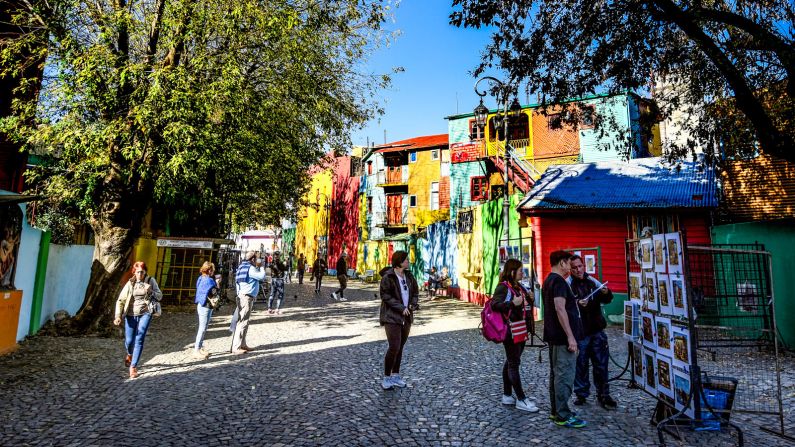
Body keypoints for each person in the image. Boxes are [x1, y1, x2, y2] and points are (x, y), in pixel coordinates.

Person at [543, 250, 587, 428]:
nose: (570, 266)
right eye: (569, 263)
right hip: (562, 338)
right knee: (564, 376)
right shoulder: (559, 281)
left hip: (554, 336)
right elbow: (560, 309)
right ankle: (563, 414)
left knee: (556, 375)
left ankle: (556, 411)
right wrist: (571, 337)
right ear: (562, 263)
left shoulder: (549, 280)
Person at [491, 259, 539, 412]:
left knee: (511, 361)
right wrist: (512, 304)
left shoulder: (519, 286)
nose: (522, 272)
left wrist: (530, 298)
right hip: (511, 331)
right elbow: (494, 305)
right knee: (514, 364)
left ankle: (507, 395)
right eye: (520, 270)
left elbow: (525, 306)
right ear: (512, 271)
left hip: (521, 329)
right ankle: (521, 399)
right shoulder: (503, 287)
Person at [569, 255, 617, 409]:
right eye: (574, 267)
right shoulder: (568, 284)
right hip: (581, 332)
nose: (578, 270)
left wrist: (605, 292)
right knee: (581, 365)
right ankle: (581, 394)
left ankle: (604, 394)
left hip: (597, 330)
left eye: (580, 266)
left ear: (584, 266)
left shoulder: (592, 281)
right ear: (570, 269)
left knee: (601, 364)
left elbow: (608, 298)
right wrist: (577, 303)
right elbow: (565, 306)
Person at [113, 261, 163, 379]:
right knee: (129, 341)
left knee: (140, 338)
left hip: (145, 313)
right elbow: (121, 300)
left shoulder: (151, 281)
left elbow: (160, 296)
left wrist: (150, 290)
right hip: (130, 314)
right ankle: (129, 354)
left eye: (142, 272)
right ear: (134, 272)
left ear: (145, 272)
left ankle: (133, 366)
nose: (140, 274)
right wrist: (118, 315)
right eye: (138, 272)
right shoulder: (130, 283)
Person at [379, 250, 419, 390]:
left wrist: (413, 304)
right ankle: (386, 378)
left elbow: (415, 292)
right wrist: (401, 307)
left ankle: (396, 375)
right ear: (399, 262)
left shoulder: (409, 276)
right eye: (406, 260)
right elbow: (385, 296)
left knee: (400, 347)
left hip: (406, 317)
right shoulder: (388, 277)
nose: (408, 261)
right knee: (394, 346)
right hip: (391, 317)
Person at [231, 250, 266, 354]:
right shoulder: (250, 268)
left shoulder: (241, 267)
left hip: (242, 295)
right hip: (246, 297)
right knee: (243, 322)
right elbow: (261, 277)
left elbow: (237, 283)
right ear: (253, 259)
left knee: (244, 321)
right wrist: (261, 266)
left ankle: (243, 344)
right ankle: (236, 347)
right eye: (256, 259)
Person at [194, 261, 220, 360]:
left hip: (201, 304)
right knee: (202, 329)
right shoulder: (209, 281)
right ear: (209, 270)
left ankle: (200, 348)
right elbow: (215, 293)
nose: (213, 271)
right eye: (212, 270)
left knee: (203, 328)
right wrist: (217, 283)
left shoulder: (200, 278)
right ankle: (196, 350)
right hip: (206, 306)